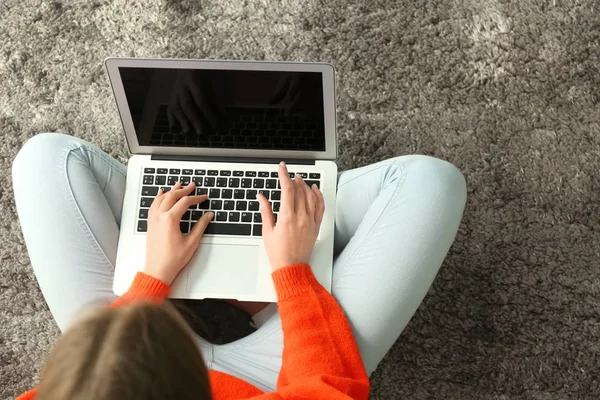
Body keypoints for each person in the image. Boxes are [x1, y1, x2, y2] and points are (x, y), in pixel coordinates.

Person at [12, 133, 467, 399]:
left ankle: (233, 256)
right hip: (274, 382)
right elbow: (325, 385)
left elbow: (99, 375)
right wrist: (291, 273)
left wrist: (152, 275)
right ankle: (267, 275)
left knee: (46, 155)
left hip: (129, 367)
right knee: (430, 182)